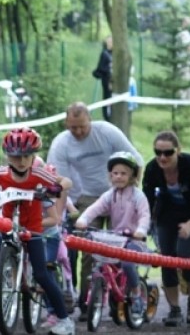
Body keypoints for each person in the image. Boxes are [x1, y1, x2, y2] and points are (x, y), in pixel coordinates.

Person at [0, 127, 75, 335]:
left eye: (26, 156)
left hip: (33, 231)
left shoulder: (38, 174)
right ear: (7, 156)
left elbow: (66, 181)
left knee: (41, 275)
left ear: (34, 156)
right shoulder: (3, 174)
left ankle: (65, 320)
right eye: (15, 156)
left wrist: (58, 188)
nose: (20, 161)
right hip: (8, 228)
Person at [46, 101, 143, 317]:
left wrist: (133, 193)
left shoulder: (107, 132)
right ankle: (87, 301)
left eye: (82, 126)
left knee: (123, 247)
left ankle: (127, 296)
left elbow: (136, 160)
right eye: (73, 127)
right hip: (87, 198)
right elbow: (58, 182)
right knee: (89, 250)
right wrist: (62, 213)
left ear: (90, 119)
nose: (78, 132)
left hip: (118, 195)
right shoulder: (61, 144)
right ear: (66, 123)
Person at [74, 152, 150, 316]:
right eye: (115, 173)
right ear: (110, 175)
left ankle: (136, 294)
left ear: (132, 175)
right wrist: (84, 219)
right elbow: (96, 207)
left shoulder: (138, 196)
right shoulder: (110, 194)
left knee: (128, 264)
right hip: (116, 239)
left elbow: (144, 215)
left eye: (123, 173)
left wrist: (141, 230)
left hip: (133, 240)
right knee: (101, 261)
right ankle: (103, 294)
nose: (119, 177)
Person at [142, 130, 190, 326]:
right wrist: (142, 226)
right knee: (167, 260)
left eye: (168, 153)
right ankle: (174, 309)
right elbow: (146, 201)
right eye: (158, 152)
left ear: (178, 151)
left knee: (186, 258)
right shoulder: (153, 168)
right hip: (167, 215)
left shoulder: (189, 165)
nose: (162, 157)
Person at [92, 36, 113, 121]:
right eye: (109, 41)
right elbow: (100, 68)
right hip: (107, 81)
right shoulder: (105, 54)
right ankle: (107, 117)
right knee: (107, 98)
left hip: (114, 82)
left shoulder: (115, 53)